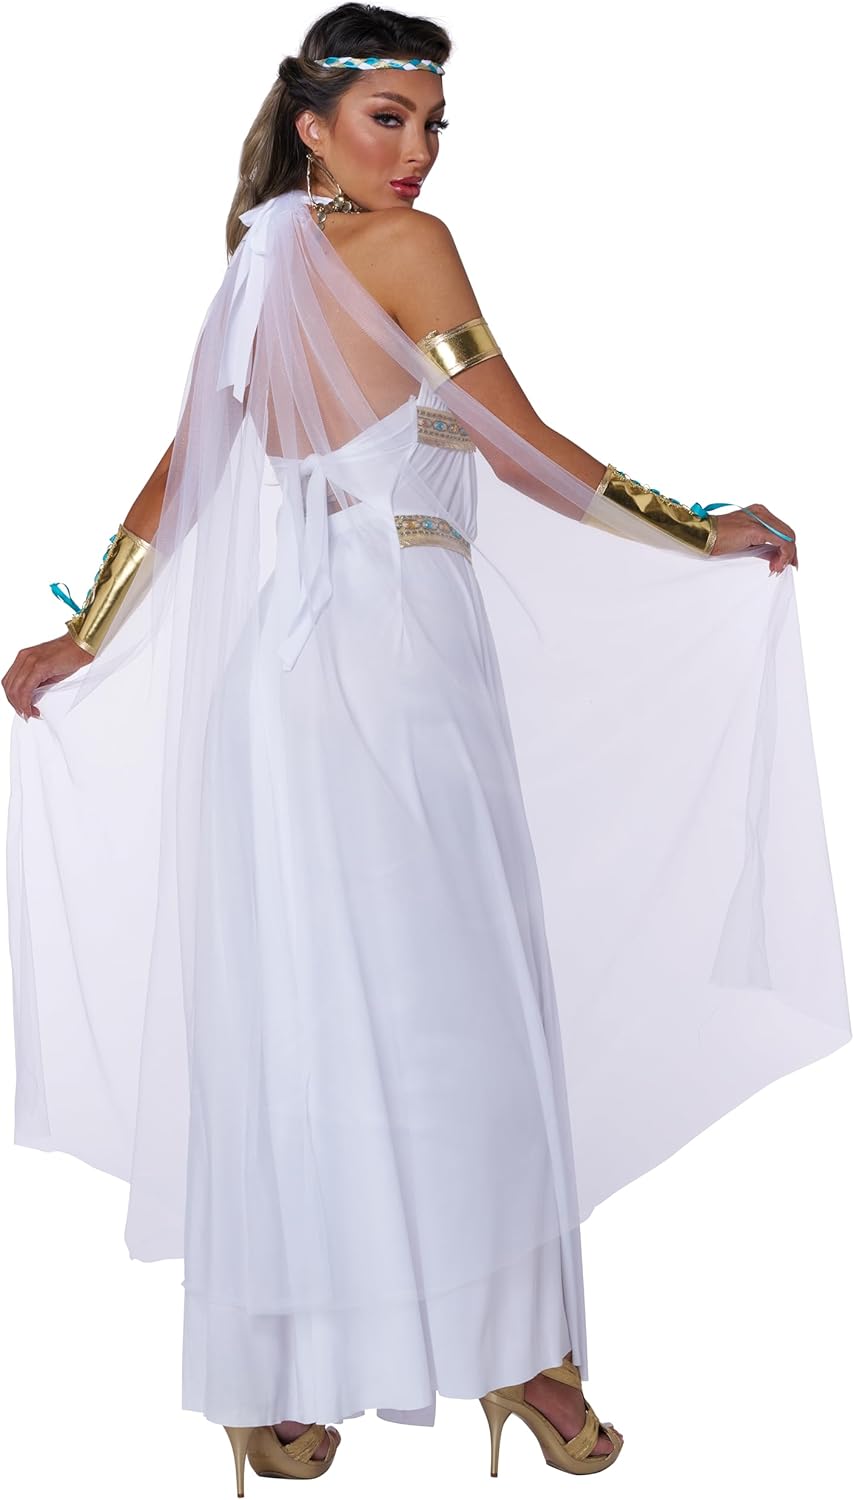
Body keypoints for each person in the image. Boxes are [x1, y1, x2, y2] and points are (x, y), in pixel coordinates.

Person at [3, 6, 850, 1493]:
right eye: (387, 117)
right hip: (394, 657)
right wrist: (694, 526)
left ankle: (286, 1378)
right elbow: (520, 446)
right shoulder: (404, 248)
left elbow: (185, 466)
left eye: (433, 122)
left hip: (287, 678)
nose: (417, 151)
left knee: (312, 1006)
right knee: (452, 1004)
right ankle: (518, 1355)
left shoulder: (260, 262)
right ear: (314, 123)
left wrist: (91, 628)